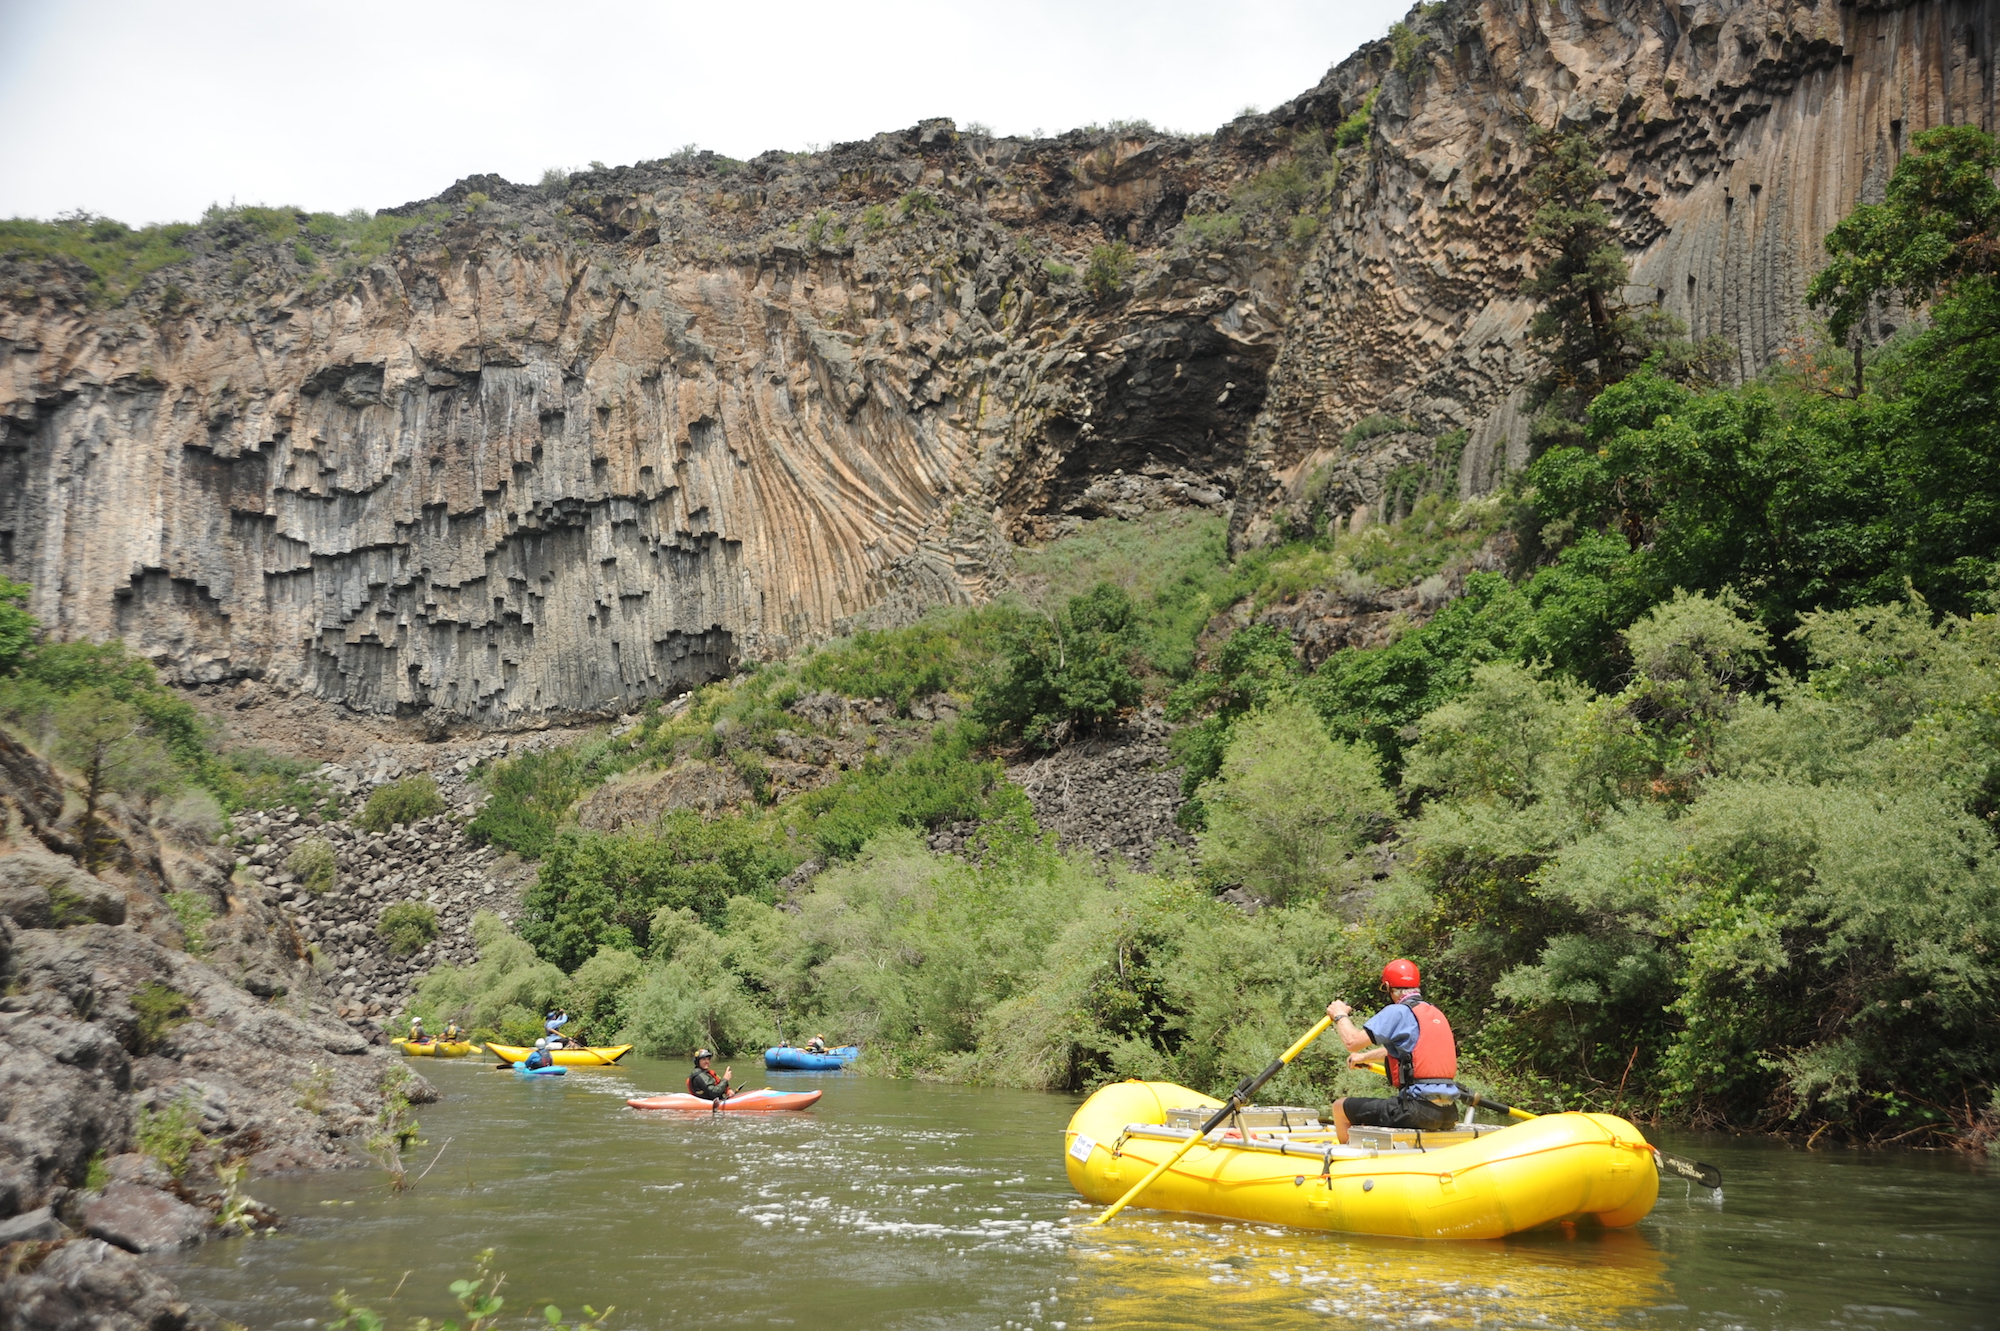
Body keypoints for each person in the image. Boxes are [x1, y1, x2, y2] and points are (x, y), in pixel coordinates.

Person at [1324, 958, 1461, 1144]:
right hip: (1448, 1112)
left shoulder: (1398, 1011)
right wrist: (1364, 1057)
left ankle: (1347, 1158)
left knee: (1340, 1107)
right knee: (1373, 1112)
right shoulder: (1435, 1013)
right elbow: (1409, 1053)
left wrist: (1340, 1015)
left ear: (1388, 986)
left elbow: (1352, 1041)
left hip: (1416, 1110)